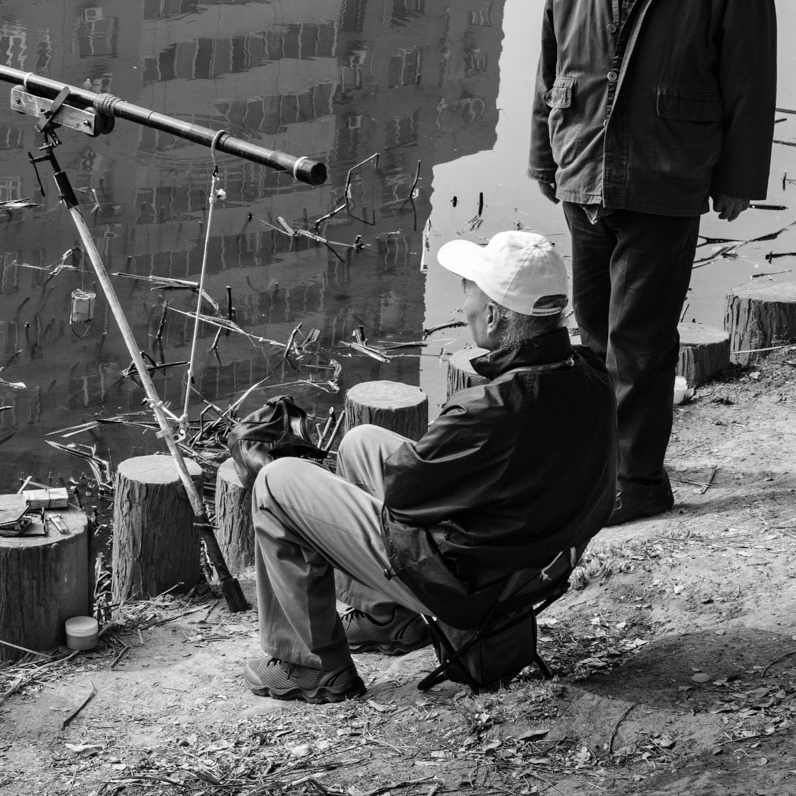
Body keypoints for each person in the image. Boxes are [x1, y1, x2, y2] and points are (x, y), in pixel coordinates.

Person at [529, 0, 777, 526]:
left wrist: (736, 176)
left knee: (640, 339)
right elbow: (551, 64)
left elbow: (750, 74)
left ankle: (637, 482)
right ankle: (599, 468)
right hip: (585, 170)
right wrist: (545, 154)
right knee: (593, 337)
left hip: (665, 174)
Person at [238, 230, 616, 703]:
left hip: (460, 580)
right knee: (360, 443)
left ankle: (311, 666)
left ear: (496, 317)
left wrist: (289, 463)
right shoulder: (590, 374)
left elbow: (401, 498)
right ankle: (386, 619)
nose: (465, 307)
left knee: (275, 483)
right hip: (528, 564)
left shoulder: (491, 409)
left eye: (469, 295)